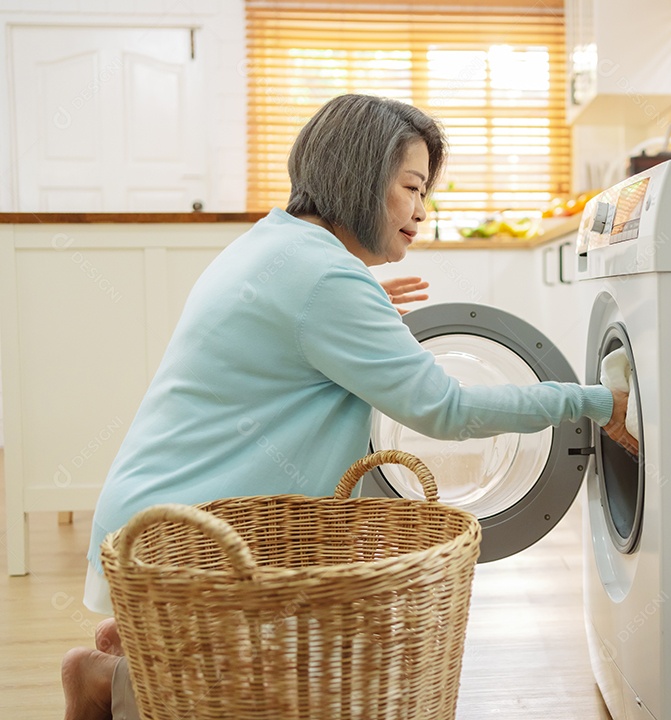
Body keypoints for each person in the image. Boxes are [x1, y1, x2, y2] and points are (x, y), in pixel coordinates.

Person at [61, 94, 636, 720]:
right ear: (361, 177)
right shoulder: (326, 281)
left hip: (158, 510)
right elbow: (445, 409)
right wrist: (594, 401)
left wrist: (357, 309)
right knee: (281, 691)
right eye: (412, 187)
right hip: (199, 534)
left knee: (274, 675)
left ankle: (136, 663)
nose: (421, 211)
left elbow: (283, 334)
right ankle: (116, 677)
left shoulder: (280, 246)